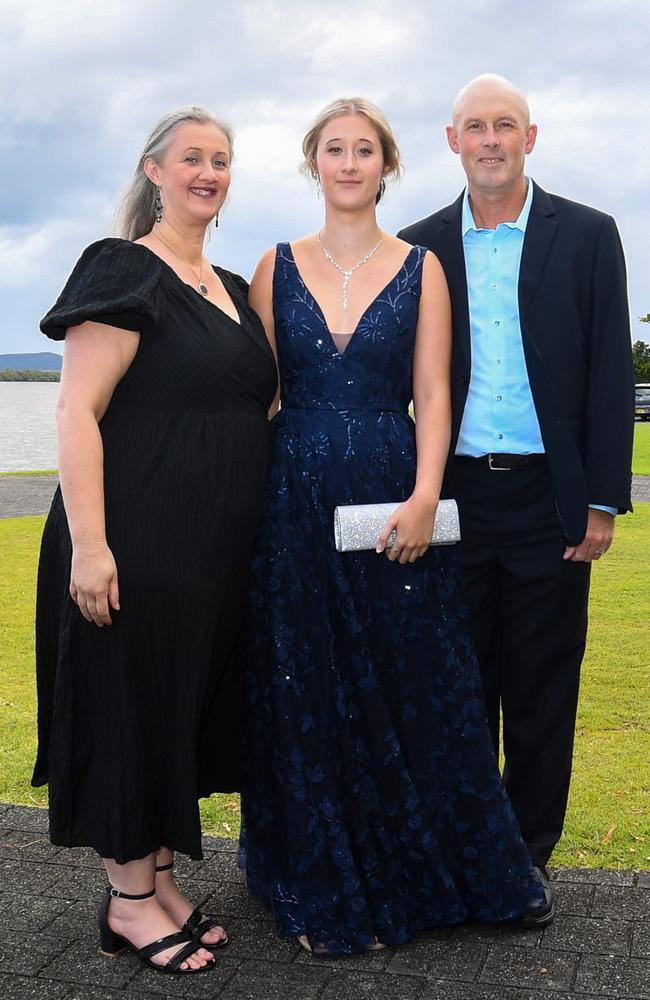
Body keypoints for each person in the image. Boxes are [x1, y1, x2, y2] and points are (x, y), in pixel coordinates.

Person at [238, 97, 548, 957]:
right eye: (333, 149)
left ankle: (425, 863)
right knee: (307, 684)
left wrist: (424, 495)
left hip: (391, 491)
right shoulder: (273, 265)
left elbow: (437, 393)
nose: (348, 162)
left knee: (408, 672)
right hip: (293, 500)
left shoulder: (423, 267)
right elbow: (257, 395)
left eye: (363, 149)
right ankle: (318, 868)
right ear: (314, 163)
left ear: (388, 164)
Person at [32, 106, 277, 974]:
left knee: (173, 706)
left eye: (222, 160)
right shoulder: (123, 268)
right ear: (154, 170)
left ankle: (156, 882)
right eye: (192, 159)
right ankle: (131, 903)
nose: (209, 173)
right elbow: (76, 411)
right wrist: (92, 547)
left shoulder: (227, 284)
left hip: (207, 556)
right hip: (133, 535)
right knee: (128, 704)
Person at [398, 74, 635, 911]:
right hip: (452, 497)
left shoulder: (590, 234)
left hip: (549, 500)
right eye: (475, 127)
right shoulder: (418, 246)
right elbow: (401, 381)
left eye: (506, 126)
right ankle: (463, 847)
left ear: (530, 139)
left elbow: (610, 371)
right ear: (451, 139)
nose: (490, 140)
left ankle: (526, 859)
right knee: (457, 685)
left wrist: (602, 499)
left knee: (542, 686)